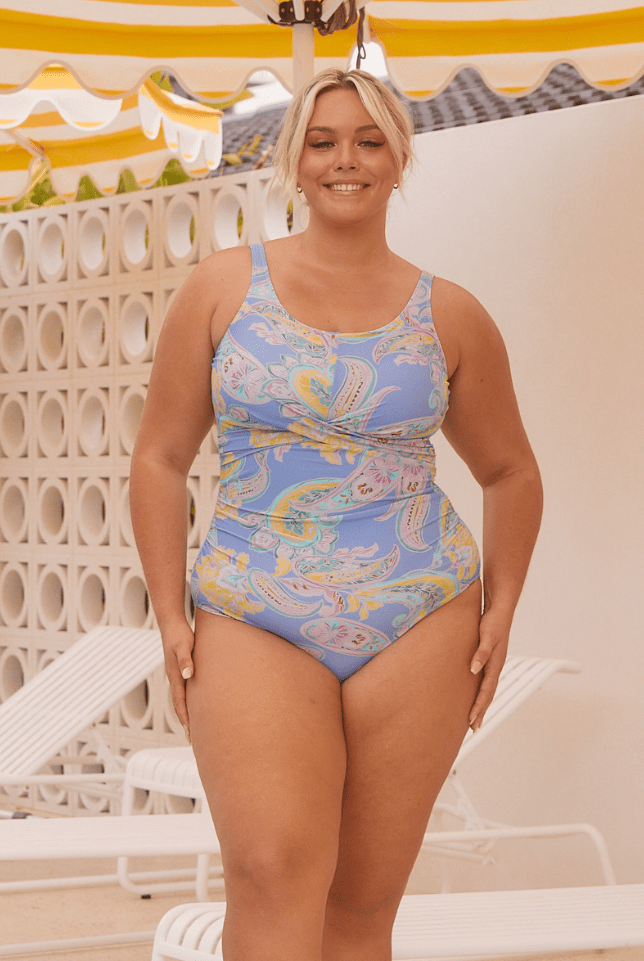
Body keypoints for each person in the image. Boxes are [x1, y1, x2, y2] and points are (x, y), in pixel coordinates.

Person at [130, 68, 543, 961]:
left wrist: (502, 605)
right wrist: (169, 608)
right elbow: (159, 457)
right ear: (293, 160)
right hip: (253, 605)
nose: (345, 159)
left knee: (362, 902)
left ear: (399, 159)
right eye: (322, 141)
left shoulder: (453, 315)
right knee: (272, 867)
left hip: (420, 612)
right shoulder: (221, 288)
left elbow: (510, 470)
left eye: (368, 140)